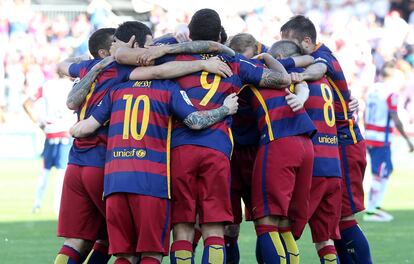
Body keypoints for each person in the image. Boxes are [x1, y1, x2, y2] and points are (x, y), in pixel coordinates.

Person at [116, 9, 292, 264]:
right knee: (213, 229)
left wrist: (170, 43)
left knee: (183, 228)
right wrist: (267, 57)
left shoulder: (174, 55)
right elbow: (281, 78)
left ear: (189, 32)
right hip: (217, 148)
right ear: (220, 34)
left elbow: (123, 55)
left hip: (180, 149)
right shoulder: (235, 62)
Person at [54, 23, 233, 264]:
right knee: (150, 252)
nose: (153, 49)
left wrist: (76, 127)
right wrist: (221, 99)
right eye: (149, 44)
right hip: (144, 178)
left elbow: (66, 79)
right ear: (134, 47)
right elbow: (190, 114)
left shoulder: (109, 83)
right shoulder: (139, 77)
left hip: (99, 171)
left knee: (97, 244)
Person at [69, 78, 240, 264]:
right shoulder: (168, 88)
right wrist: (225, 109)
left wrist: (73, 129)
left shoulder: (116, 90)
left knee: (125, 255)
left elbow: (86, 128)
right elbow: (195, 121)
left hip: (115, 182)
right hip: (151, 183)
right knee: (151, 253)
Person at [281, 15, 373, 264]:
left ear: (307, 41)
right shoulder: (319, 58)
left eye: (290, 42)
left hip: (344, 142)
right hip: (338, 143)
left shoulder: (323, 57)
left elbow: (319, 68)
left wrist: (297, 75)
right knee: (334, 223)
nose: (289, 49)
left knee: (344, 219)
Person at [364, 62, 414, 222]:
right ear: (392, 77)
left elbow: (365, 111)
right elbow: (395, 117)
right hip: (381, 138)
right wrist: (408, 140)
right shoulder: (391, 93)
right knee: (380, 172)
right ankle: (371, 211)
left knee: (385, 170)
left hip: (370, 135)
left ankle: (376, 205)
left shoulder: (372, 89)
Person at [23, 72, 75, 215]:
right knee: (61, 173)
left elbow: (27, 104)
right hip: (65, 133)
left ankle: (37, 204)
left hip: (50, 131)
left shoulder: (46, 86)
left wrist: (39, 122)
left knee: (45, 172)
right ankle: (58, 209)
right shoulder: (73, 85)